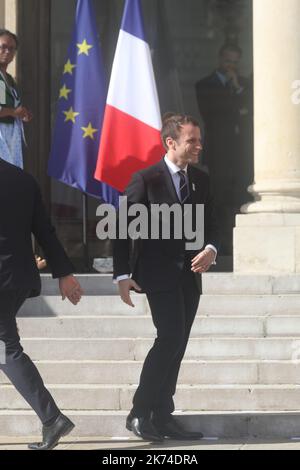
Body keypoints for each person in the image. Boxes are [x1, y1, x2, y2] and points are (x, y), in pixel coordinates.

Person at [113, 114, 220, 442]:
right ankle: (139, 412)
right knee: (170, 337)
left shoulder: (201, 179)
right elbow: (121, 226)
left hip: (191, 276)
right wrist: (121, 275)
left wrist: (212, 249)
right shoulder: (145, 179)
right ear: (171, 143)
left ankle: (163, 414)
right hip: (157, 274)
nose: (199, 146)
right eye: (192, 140)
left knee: (178, 343)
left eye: (199, 140)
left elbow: (211, 222)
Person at [0, 157, 83, 450]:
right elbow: (44, 230)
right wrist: (64, 272)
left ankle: (52, 418)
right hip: (18, 277)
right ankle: (51, 419)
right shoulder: (22, 178)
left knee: (5, 349)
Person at [195, 44, 253, 255]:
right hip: (219, 153)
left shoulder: (244, 85)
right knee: (220, 199)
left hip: (242, 154)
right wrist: (238, 102)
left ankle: (241, 245)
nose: (231, 66)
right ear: (220, 59)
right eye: (228, 61)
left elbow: (249, 112)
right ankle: (221, 245)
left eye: (236, 62)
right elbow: (213, 114)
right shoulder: (204, 85)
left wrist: (237, 89)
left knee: (241, 197)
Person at [0, 29, 47, 270]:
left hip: (12, 145)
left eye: (11, 48)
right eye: (3, 46)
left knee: (14, 199)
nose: (7, 52)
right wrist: (12, 112)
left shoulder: (9, 80)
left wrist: (21, 114)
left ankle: (22, 257)